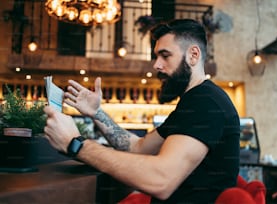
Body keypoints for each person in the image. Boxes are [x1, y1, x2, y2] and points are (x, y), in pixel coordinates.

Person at [44, 19, 240, 203]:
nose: (156, 65)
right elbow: (138, 147)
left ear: (193, 55)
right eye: (156, 57)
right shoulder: (193, 101)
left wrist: (76, 144)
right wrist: (97, 113)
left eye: (165, 55)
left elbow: (161, 179)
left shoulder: (206, 102)